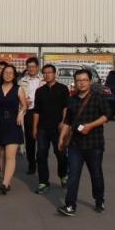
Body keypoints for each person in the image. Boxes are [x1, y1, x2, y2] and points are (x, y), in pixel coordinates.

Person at [57, 68, 111, 216]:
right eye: (78, 80)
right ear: (74, 82)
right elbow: (67, 121)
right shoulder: (72, 99)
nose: (81, 83)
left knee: (96, 174)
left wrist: (90, 126)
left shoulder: (98, 97)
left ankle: (99, 200)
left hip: (94, 144)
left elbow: (107, 115)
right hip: (75, 145)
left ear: (90, 81)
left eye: (84, 80)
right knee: (73, 175)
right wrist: (61, 138)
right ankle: (70, 205)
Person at [0, 64, 27, 193]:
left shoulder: (19, 89)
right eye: (5, 72)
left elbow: (25, 105)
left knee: (10, 155)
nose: (8, 75)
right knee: (1, 154)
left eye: (10, 73)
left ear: (14, 76)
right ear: (2, 75)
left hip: (13, 124)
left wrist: (21, 112)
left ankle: (5, 183)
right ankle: (6, 179)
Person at [32, 63, 70, 193]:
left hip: (58, 128)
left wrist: (63, 122)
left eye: (50, 72)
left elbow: (66, 107)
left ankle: (63, 175)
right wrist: (34, 128)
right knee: (41, 155)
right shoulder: (40, 91)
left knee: (61, 154)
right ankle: (43, 182)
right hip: (42, 128)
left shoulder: (63, 89)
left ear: (55, 74)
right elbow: (36, 111)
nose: (47, 75)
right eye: (45, 73)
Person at [20, 57, 43, 175]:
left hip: (42, 113)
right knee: (30, 140)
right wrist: (23, 101)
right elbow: (18, 96)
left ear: (37, 67)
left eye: (33, 66)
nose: (31, 69)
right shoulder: (22, 81)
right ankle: (31, 165)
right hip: (29, 112)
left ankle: (40, 158)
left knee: (42, 139)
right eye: (29, 67)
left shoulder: (44, 80)